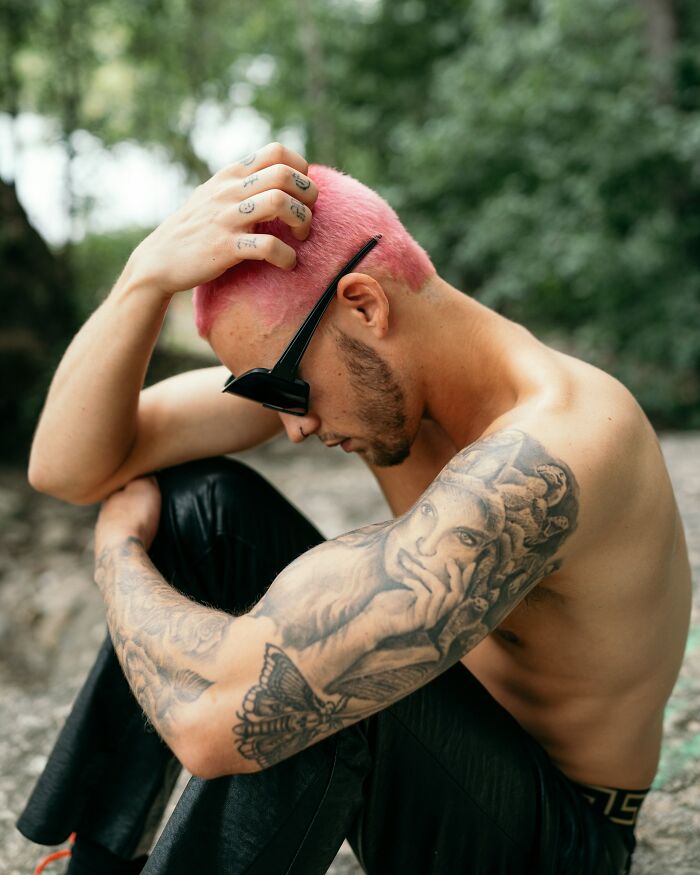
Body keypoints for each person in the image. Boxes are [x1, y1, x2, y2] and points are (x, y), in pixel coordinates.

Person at [18, 142, 691, 874]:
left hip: (559, 838)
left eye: (285, 391)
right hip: (450, 743)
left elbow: (213, 728)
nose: (293, 427)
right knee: (199, 504)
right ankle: (97, 861)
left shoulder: (557, 445)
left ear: (365, 304)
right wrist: (143, 279)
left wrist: (117, 559)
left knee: (315, 685)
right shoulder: (370, 382)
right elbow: (66, 467)